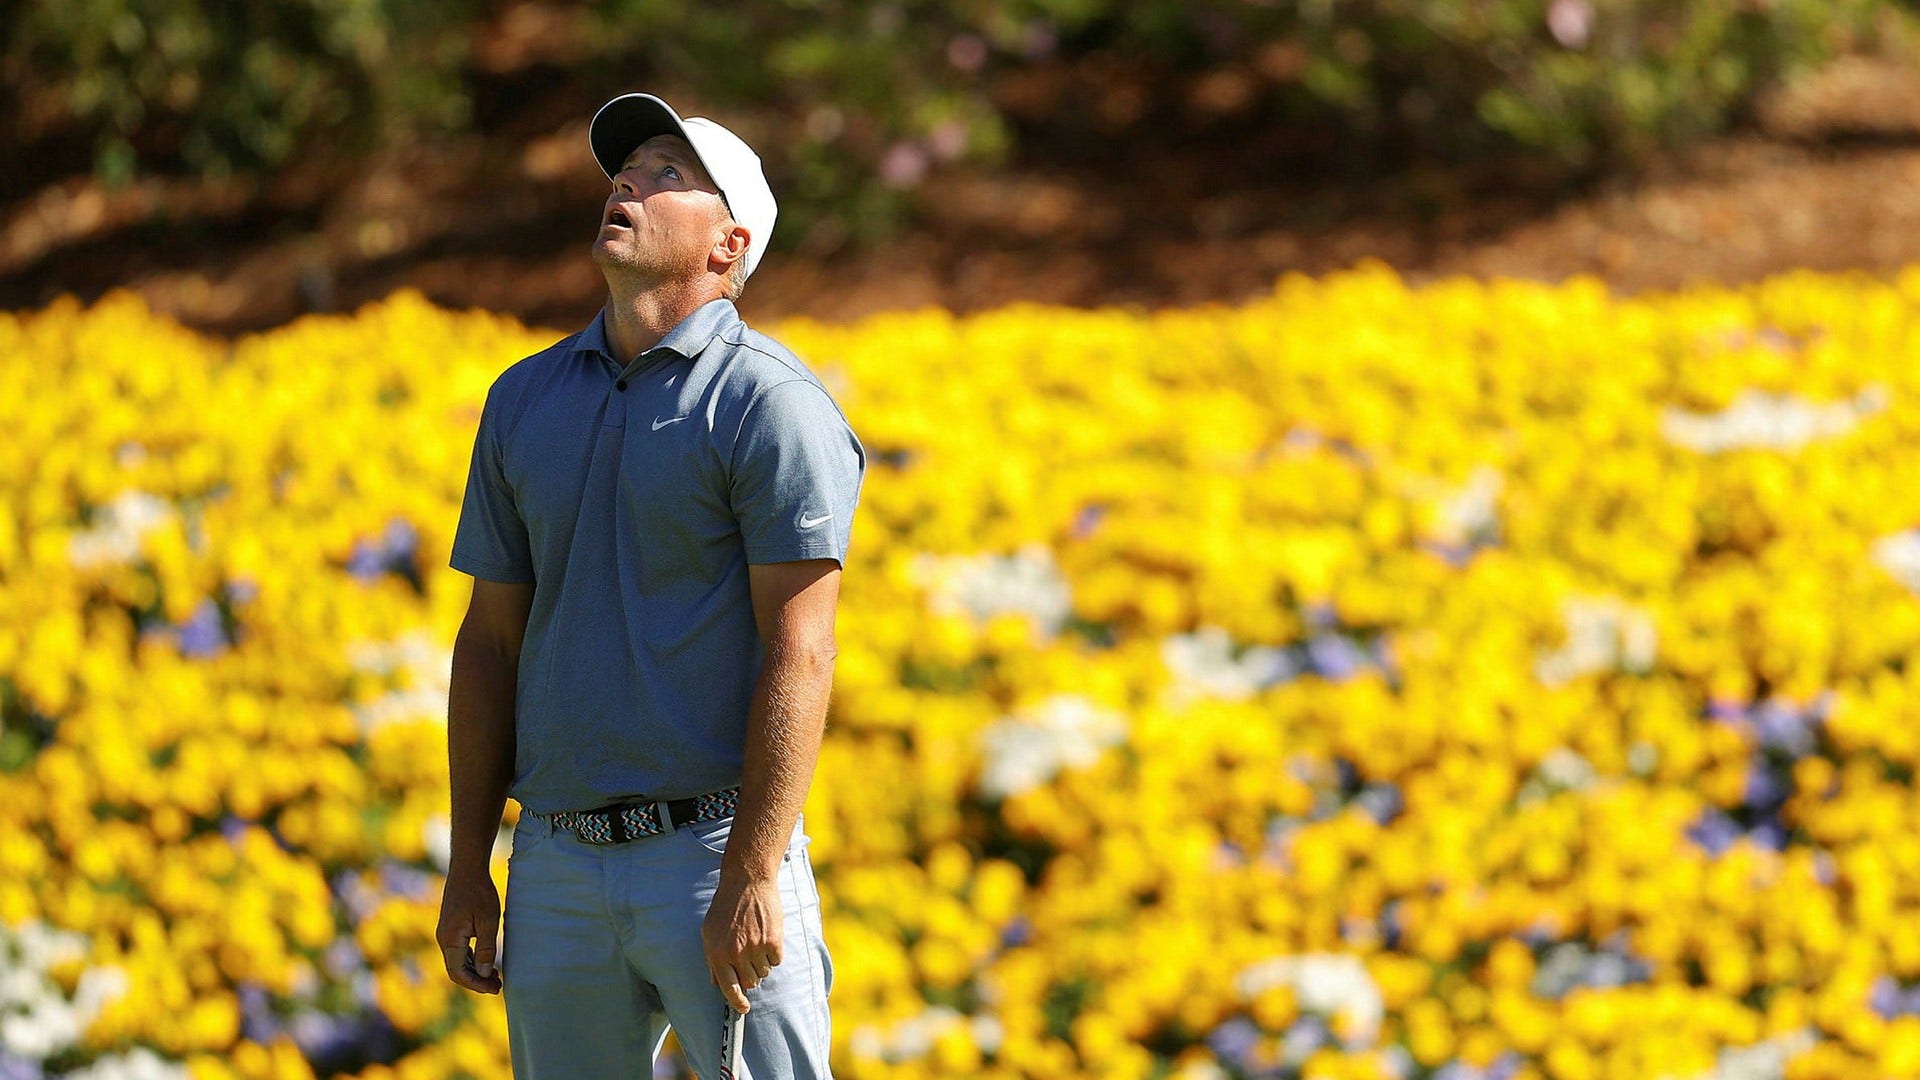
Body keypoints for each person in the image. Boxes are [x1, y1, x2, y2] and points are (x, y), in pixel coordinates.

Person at [435, 91, 865, 1080]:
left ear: (728, 247)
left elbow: (801, 649)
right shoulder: (522, 400)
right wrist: (469, 866)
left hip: (716, 857)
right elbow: (490, 642)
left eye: (668, 176)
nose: (626, 185)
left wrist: (755, 871)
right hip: (555, 863)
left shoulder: (773, 407)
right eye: (624, 174)